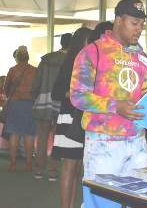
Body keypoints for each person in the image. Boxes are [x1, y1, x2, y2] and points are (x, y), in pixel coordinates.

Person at [70, 0, 147, 208]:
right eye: (134, 23)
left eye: (142, 25)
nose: (139, 29)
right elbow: (78, 95)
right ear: (118, 20)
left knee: (139, 202)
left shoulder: (142, 57)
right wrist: (116, 106)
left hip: (137, 141)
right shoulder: (93, 52)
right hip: (103, 142)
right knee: (101, 204)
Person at [51, 27, 92, 208]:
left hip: (82, 119)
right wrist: (76, 94)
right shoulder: (72, 62)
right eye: (89, 41)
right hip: (70, 119)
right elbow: (57, 92)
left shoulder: (89, 62)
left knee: (76, 170)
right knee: (69, 167)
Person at [32, 33, 72, 180]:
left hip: (44, 100)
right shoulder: (72, 60)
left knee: (42, 136)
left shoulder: (46, 59)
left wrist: (35, 94)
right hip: (63, 102)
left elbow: (37, 81)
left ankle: (39, 170)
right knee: (58, 137)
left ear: (61, 43)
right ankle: (53, 172)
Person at [4, 46, 37, 171]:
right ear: (27, 57)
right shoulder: (34, 70)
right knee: (29, 134)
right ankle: (28, 164)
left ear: (16, 57)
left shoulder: (12, 70)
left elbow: (6, 88)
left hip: (15, 104)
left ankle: (13, 164)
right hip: (29, 104)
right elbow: (37, 88)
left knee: (14, 134)